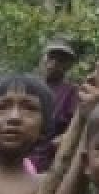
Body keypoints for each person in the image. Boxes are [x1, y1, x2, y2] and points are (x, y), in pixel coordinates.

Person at [27, 38, 81, 173]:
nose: (55, 62)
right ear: (43, 59)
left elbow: (79, 124)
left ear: (68, 65)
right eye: (51, 57)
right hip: (21, 156)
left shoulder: (72, 91)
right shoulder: (29, 86)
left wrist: (64, 138)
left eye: (61, 59)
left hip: (50, 162)